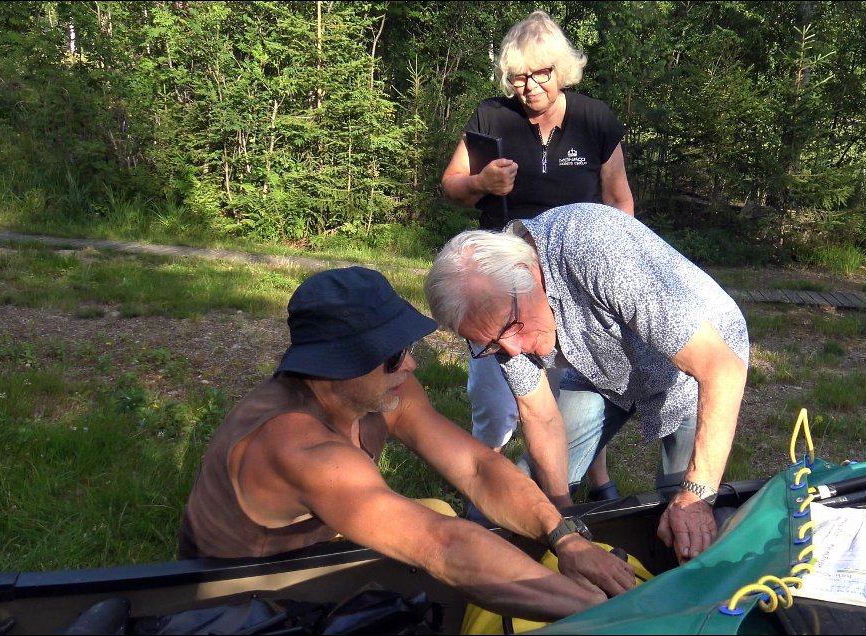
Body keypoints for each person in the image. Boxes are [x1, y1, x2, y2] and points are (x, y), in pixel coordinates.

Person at [178, 267, 635, 621]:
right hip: (250, 598)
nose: (412, 363)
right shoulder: (298, 447)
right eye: (394, 354)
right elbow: (442, 547)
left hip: (319, 553)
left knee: (439, 509)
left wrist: (564, 538)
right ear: (337, 365)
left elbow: (475, 468)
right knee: (440, 534)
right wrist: (609, 614)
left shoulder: (382, 391)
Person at [425, 203, 750, 564]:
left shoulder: (596, 248)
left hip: (694, 365)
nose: (511, 351)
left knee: (685, 520)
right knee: (533, 495)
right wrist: (563, 524)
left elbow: (721, 368)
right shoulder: (497, 319)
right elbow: (540, 416)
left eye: (509, 331)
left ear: (528, 274)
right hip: (600, 362)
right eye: (491, 345)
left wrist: (695, 495)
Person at [440, 10, 634, 501]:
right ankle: (487, 480)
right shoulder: (492, 116)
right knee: (497, 391)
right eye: (518, 77)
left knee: (581, 380)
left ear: (561, 69)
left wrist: (622, 260)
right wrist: (482, 183)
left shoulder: (594, 119)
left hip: (576, 276)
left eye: (539, 74)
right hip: (500, 280)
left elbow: (618, 198)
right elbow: (451, 186)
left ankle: (595, 477)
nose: (528, 87)